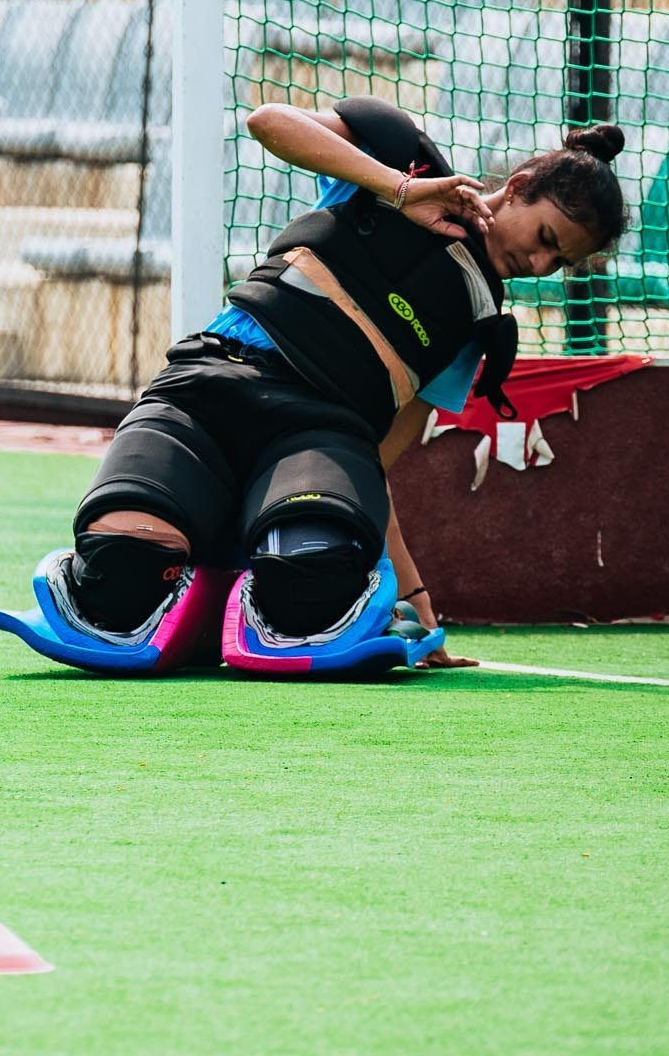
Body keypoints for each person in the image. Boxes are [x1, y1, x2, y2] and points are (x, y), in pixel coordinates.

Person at [57, 97, 629, 667]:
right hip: (209, 385)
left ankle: (243, 582)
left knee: (311, 584)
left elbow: (375, 464)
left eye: (559, 262)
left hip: (315, 435)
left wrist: (413, 600)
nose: (538, 263)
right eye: (546, 237)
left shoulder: (477, 330)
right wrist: (399, 188)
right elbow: (268, 123)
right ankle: (199, 575)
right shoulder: (400, 168)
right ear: (521, 185)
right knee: (118, 571)